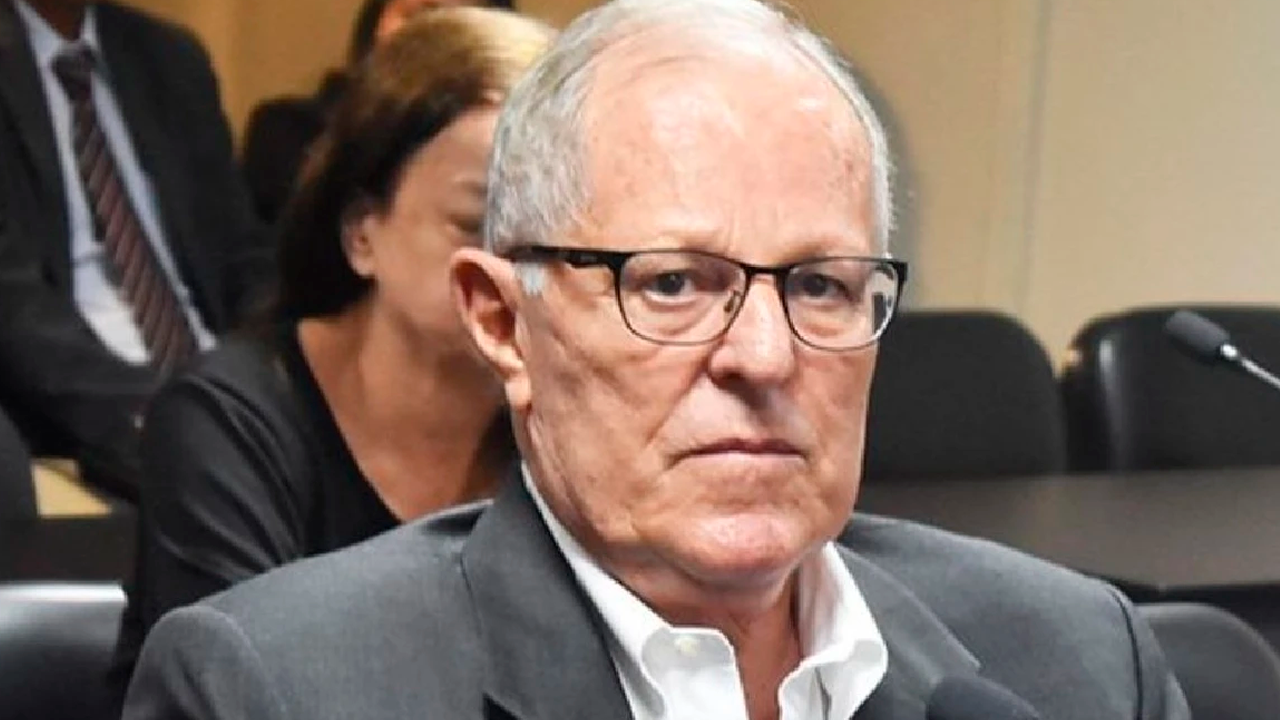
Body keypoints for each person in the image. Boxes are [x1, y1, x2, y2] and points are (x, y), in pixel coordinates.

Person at [122, 1, 1191, 719]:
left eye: (820, 285)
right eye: (672, 283)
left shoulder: (1081, 663)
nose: (764, 355)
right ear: (504, 324)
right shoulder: (279, 688)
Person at [107, 5, 554, 706]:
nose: (516, 270)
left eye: (549, 234)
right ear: (361, 233)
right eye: (477, 224)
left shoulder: (573, 421)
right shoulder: (226, 422)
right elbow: (248, 694)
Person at [0, 0, 266, 501]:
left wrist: (276, 374)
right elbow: (14, 310)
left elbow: (242, 259)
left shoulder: (169, 57)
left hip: (219, 387)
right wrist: (174, 411)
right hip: (79, 417)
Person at [240, 0, 516, 227]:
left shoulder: (509, 149)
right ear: (377, 22)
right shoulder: (290, 130)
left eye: (457, 29)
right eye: (419, 16)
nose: (432, 44)